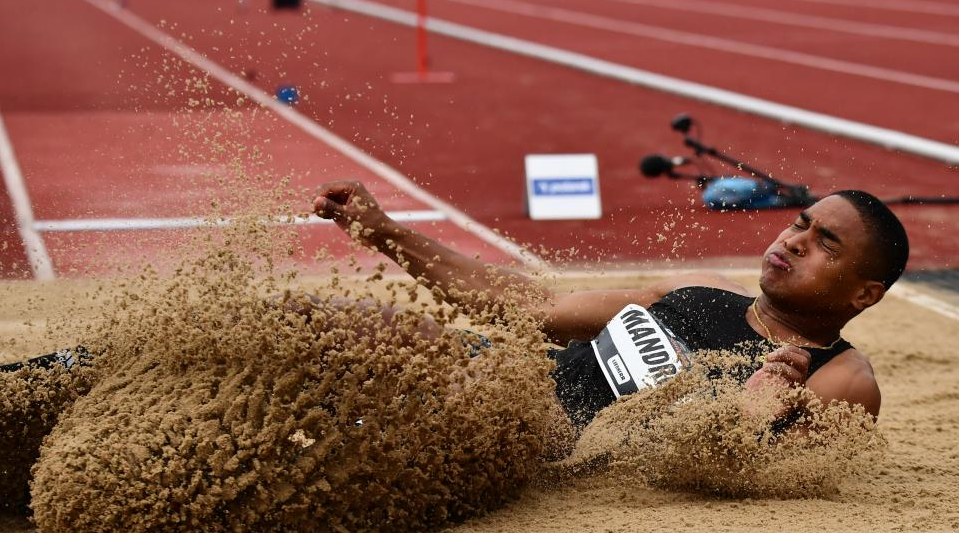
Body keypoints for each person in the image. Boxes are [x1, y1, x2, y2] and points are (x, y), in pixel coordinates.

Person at [312, 181, 909, 433]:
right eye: (800, 224)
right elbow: (532, 306)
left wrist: (747, 416)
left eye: (826, 244)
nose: (795, 241)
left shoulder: (840, 379)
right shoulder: (700, 289)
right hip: (501, 372)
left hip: (524, 434)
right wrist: (384, 231)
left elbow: (754, 479)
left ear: (864, 294)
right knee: (346, 322)